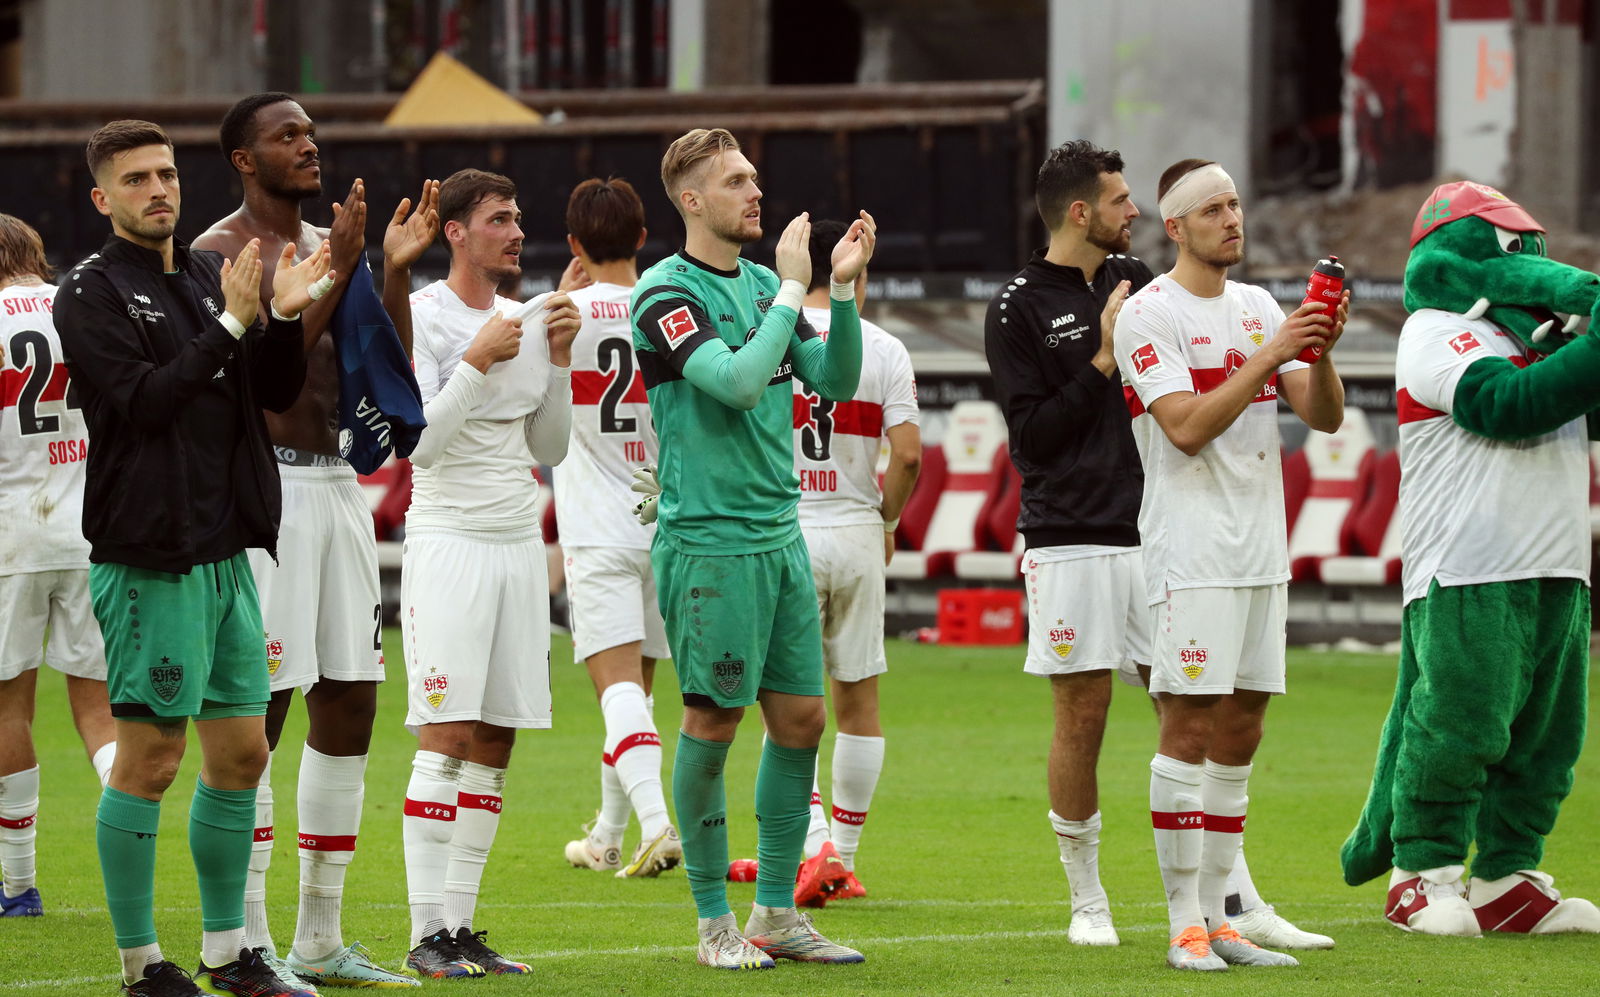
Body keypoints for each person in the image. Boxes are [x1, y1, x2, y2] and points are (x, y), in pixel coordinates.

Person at [55, 119, 330, 997]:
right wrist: (233, 324)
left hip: (225, 549)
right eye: (135, 179)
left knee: (243, 753)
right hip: (149, 552)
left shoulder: (215, 275)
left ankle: (227, 952)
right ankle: (140, 964)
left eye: (166, 173)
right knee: (151, 758)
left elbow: (276, 393)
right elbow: (142, 403)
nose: (158, 190)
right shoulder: (89, 293)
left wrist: (279, 319)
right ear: (104, 199)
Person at [193, 91, 437, 991]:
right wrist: (336, 265)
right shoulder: (218, 252)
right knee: (258, 715)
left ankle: (320, 936)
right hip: (268, 491)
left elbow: (383, 371)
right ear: (245, 160)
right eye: (285, 135)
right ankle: (248, 936)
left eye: (310, 130)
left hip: (336, 482)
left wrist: (393, 275)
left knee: (351, 697)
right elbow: (269, 374)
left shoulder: (335, 249)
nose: (308, 143)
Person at [629, 126, 872, 970]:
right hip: (709, 542)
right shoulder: (664, 292)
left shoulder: (769, 281)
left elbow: (836, 380)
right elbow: (734, 383)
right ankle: (712, 923)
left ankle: (775, 914)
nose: (754, 193)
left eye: (754, 178)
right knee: (713, 719)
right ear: (692, 200)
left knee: (802, 718)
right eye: (735, 181)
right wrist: (792, 293)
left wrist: (837, 294)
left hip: (779, 535)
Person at [1115, 158, 1347, 971]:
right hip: (1194, 546)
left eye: (1236, 204)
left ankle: (1221, 917)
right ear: (1174, 227)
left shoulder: (1257, 305)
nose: (1232, 220)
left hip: (1262, 544)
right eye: (1212, 209)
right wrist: (1272, 352)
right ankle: (1183, 923)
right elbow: (1183, 426)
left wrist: (1315, 351)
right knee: (1188, 723)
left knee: (1243, 727)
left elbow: (1321, 416)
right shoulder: (1149, 315)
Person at [400, 168, 580, 979]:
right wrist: (474, 361)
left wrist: (563, 358)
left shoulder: (526, 317)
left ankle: (463, 925)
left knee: (497, 733)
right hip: (450, 541)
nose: (515, 232)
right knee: (445, 731)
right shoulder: (426, 315)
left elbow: (548, 447)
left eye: (518, 217)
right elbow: (421, 445)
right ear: (457, 232)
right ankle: (424, 929)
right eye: (499, 219)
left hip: (515, 544)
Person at [982, 139, 1151, 946]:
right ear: (1081, 212)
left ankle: (1230, 891)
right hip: (1070, 536)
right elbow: (1036, 440)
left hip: (1159, 532)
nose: (1135, 211)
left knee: (1196, 708)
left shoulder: (1140, 281)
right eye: (1121, 199)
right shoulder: (1016, 306)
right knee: (1083, 715)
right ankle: (1087, 898)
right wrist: (1104, 357)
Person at [552, 177, 684, 879]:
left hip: (597, 526)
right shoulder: (671, 308)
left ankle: (657, 823)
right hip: (665, 519)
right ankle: (608, 832)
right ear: (642, 237)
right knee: (639, 691)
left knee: (617, 690)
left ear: (575, 244)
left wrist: (555, 291)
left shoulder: (558, 313)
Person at [791, 219, 920, 906]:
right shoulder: (886, 347)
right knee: (859, 699)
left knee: (791, 700)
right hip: (857, 527)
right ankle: (845, 854)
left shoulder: (773, 330)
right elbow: (908, 455)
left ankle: (812, 845)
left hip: (788, 530)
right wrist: (888, 519)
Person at [0, 214, 116, 920]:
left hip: (11, 531)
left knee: (11, 705)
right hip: (91, 526)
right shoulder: (80, 300)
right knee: (98, 709)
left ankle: (18, 884)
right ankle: (127, 849)